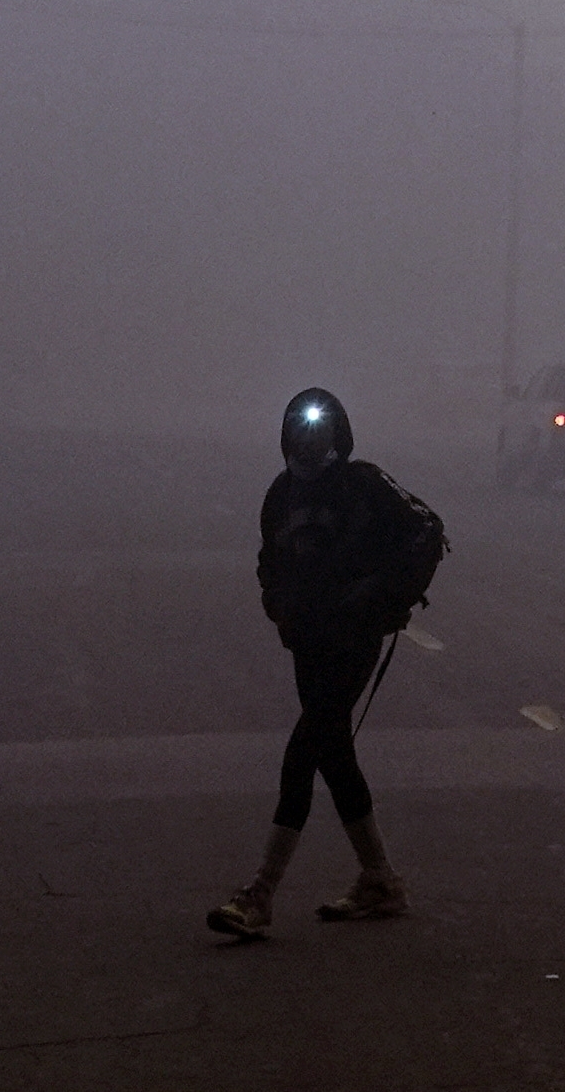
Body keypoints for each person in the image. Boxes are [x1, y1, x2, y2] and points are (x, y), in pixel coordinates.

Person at [207, 387, 446, 942]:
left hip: (353, 639)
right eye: (300, 428)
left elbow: (427, 530)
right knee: (334, 755)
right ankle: (380, 880)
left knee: (304, 752)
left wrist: (384, 594)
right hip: (309, 643)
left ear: (338, 433)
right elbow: (270, 561)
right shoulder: (281, 495)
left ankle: (260, 894)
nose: (309, 440)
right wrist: (278, 605)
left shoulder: (363, 484)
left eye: (320, 428)